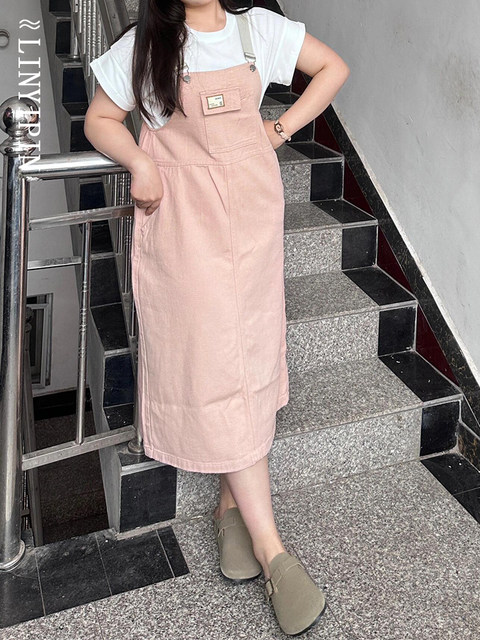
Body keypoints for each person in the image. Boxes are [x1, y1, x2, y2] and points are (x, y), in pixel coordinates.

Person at [85, 0, 349, 635]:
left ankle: (230, 511)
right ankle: (272, 550)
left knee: (249, 355)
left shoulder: (259, 29)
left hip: (252, 218)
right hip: (184, 225)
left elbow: (333, 69)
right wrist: (141, 162)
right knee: (214, 361)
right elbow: (100, 118)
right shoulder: (145, 43)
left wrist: (278, 129)